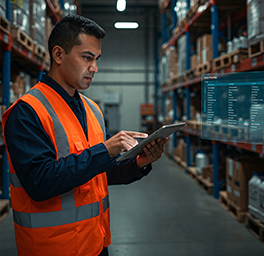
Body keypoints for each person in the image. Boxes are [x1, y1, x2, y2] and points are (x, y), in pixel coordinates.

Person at [2, 15, 168, 256]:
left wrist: (140, 162)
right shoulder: (27, 111)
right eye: (87, 58)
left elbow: (100, 171)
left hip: (95, 243)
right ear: (58, 55)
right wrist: (106, 149)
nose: (95, 68)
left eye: (97, 59)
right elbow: (40, 182)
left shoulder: (92, 109)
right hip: (53, 249)